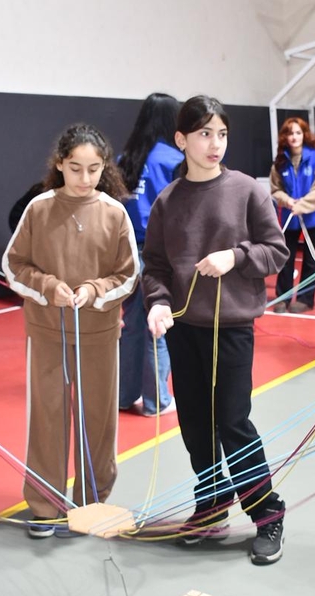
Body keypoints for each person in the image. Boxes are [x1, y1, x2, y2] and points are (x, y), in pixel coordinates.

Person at [141, 95, 290, 565]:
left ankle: (268, 515)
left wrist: (237, 256)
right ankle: (211, 506)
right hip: (185, 331)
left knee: (232, 423)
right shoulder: (168, 201)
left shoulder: (247, 189)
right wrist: (159, 305)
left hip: (231, 330)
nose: (215, 143)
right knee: (196, 428)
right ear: (181, 139)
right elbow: (156, 267)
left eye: (221, 133)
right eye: (204, 134)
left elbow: (276, 250)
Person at [3, 123, 137, 537]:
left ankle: (92, 501)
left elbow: (128, 276)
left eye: (94, 169)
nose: (84, 179)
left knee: (99, 421)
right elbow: (14, 265)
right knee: (48, 417)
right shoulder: (39, 209)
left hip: (99, 334)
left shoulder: (115, 213)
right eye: (75, 168)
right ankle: (45, 505)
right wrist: (47, 286)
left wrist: (95, 290)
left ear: (104, 169)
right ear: (59, 164)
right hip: (46, 332)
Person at [116, 93, 183, 416]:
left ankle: (125, 395)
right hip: (156, 254)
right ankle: (157, 399)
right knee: (157, 323)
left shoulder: (124, 158)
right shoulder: (173, 159)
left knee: (131, 324)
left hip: (124, 254)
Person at [270, 116, 315, 314]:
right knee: (285, 257)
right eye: (290, 133)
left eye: (298, 132)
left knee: (309, 259)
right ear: (284, 137)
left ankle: (305, 299)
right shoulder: (280, 162)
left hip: (313, 216)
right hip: (290, 214)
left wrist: (303, 205)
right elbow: (275, 189)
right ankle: (283, 298)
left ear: (304, 135)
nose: (294, 137)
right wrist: (286, 200)